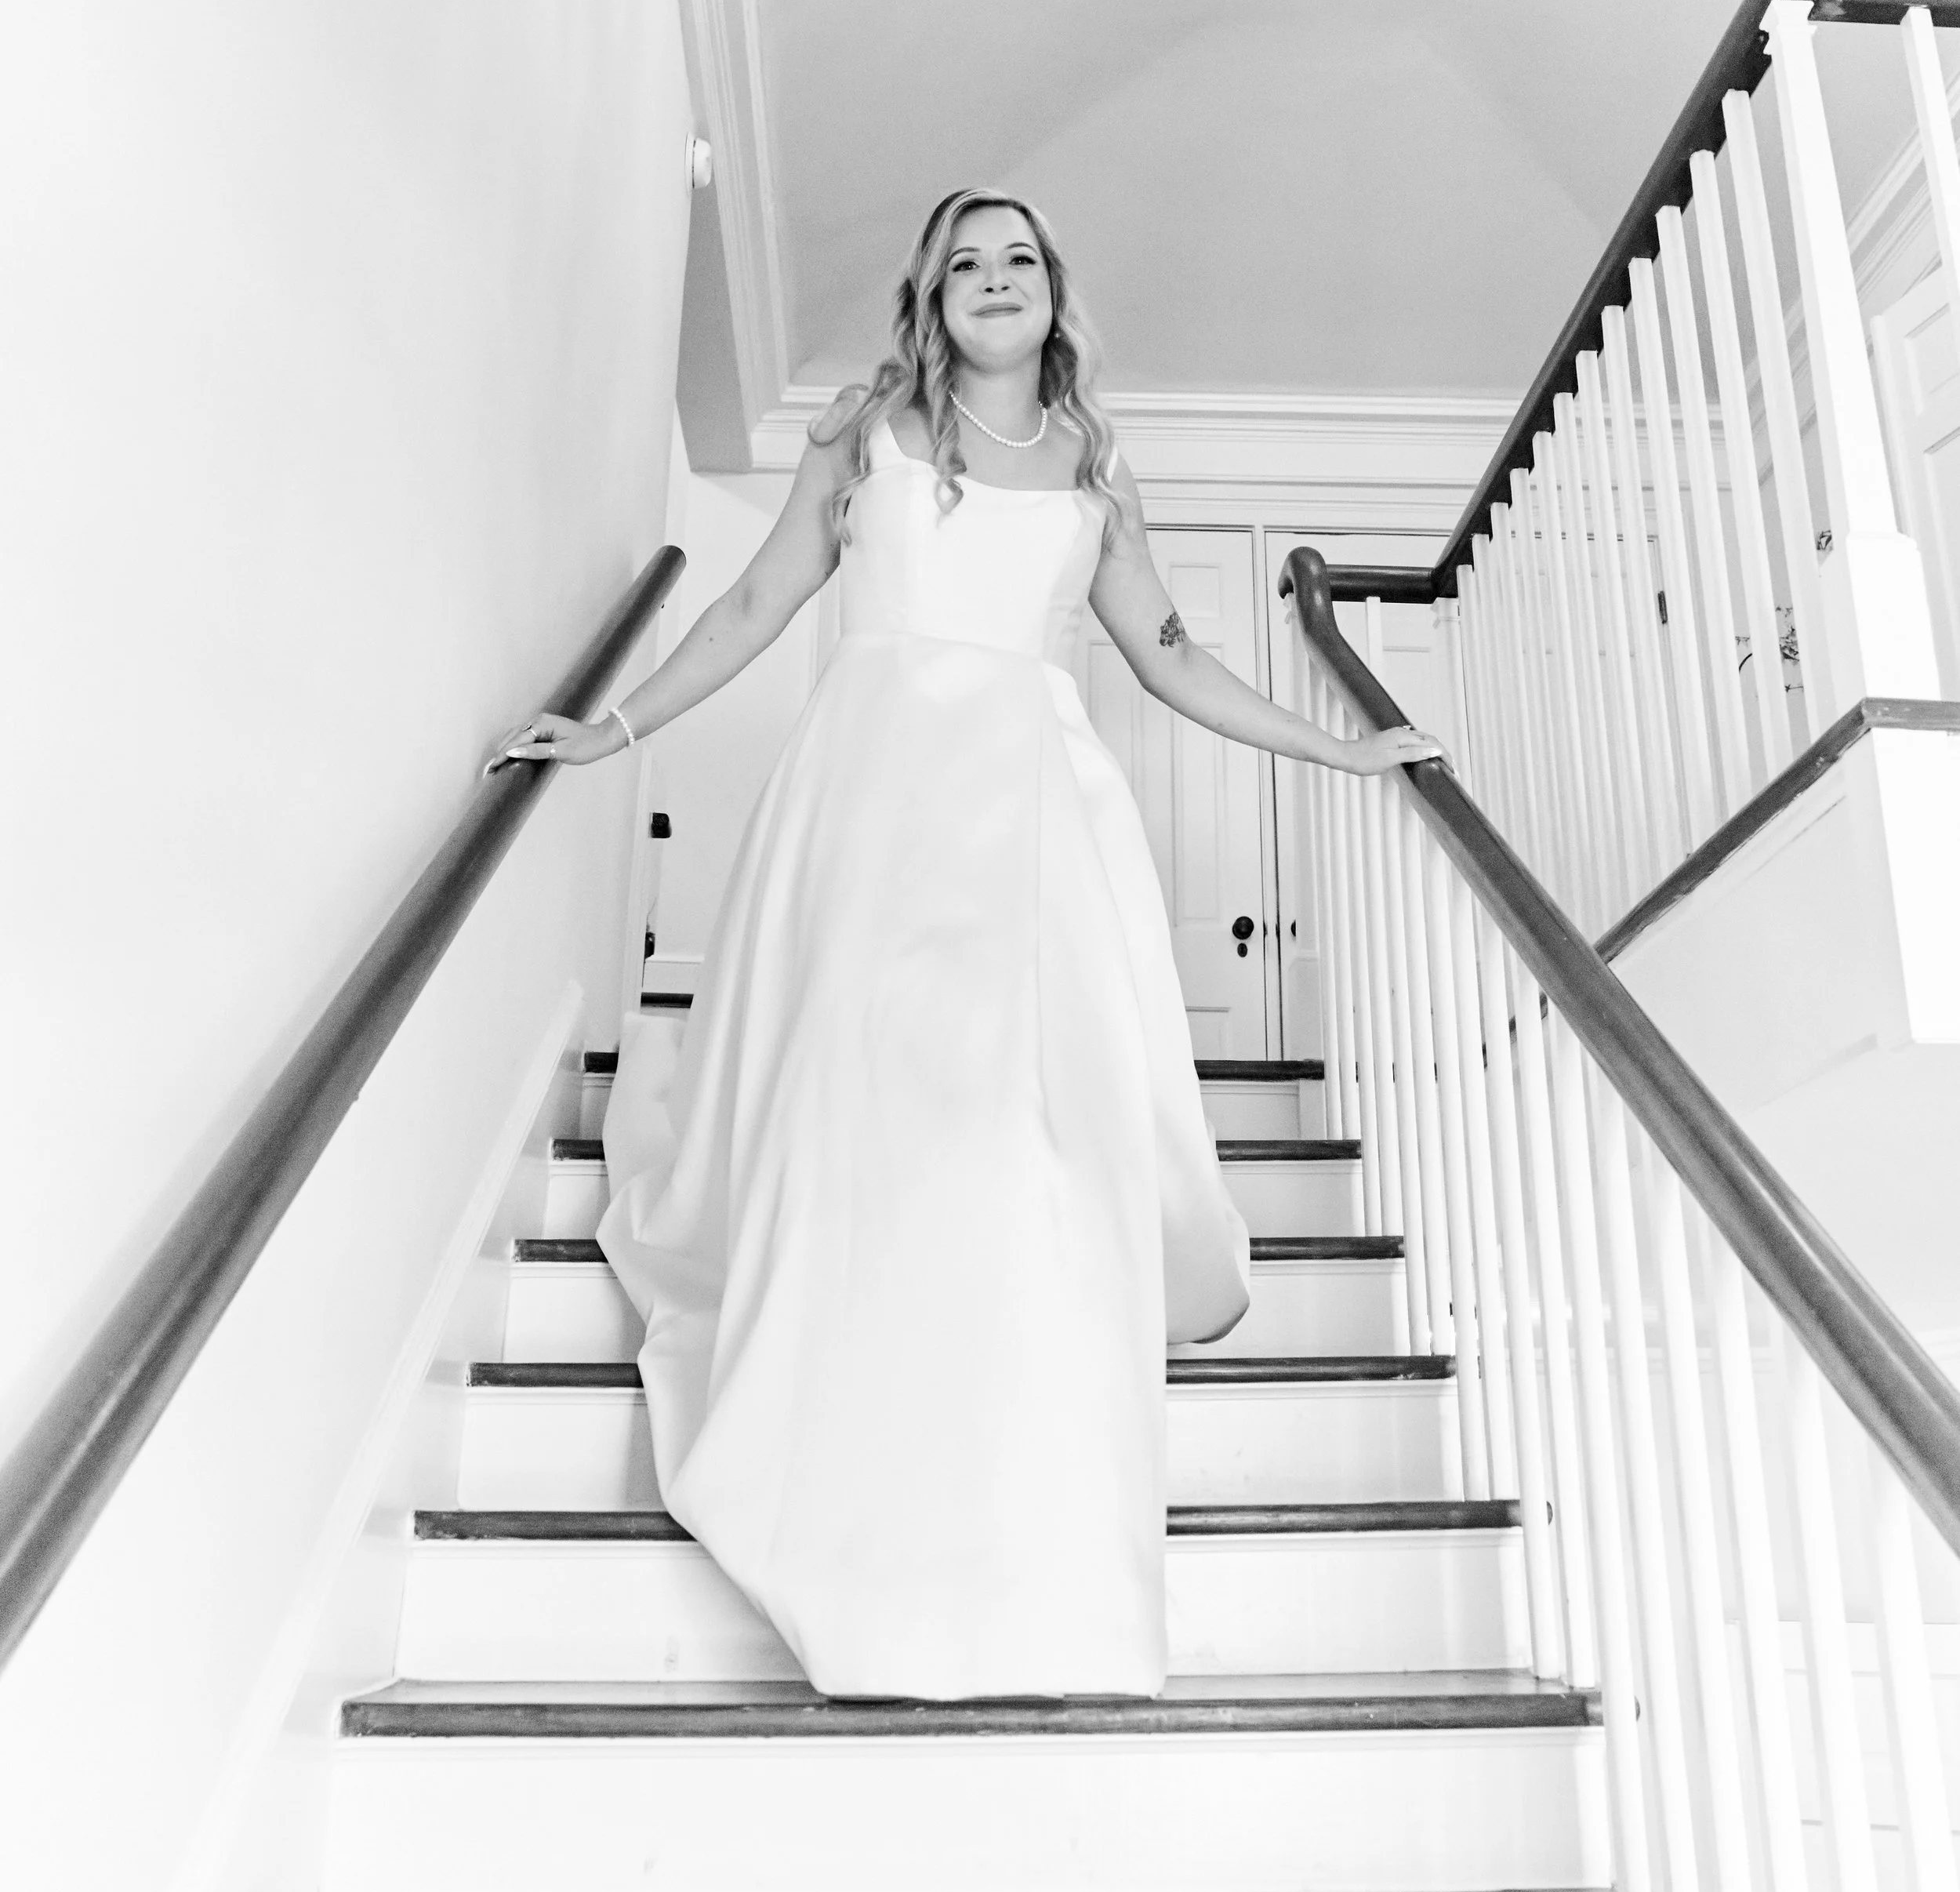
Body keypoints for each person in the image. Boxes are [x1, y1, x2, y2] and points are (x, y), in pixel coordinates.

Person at [492, 188, 1443, 1698]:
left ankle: (1022, 1542)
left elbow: (1175, 657)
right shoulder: (863, 433)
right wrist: (611, 729)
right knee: (867, 1123)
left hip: (1033, 827)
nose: (992, 281)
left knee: (1020, 1140)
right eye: (962, 265)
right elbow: (750, 602)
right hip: (871, 807)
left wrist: (1343, 752)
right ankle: (844, 1498)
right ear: (930, 302)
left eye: (1018, 260)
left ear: (1055, 294)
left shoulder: (1100, 466)